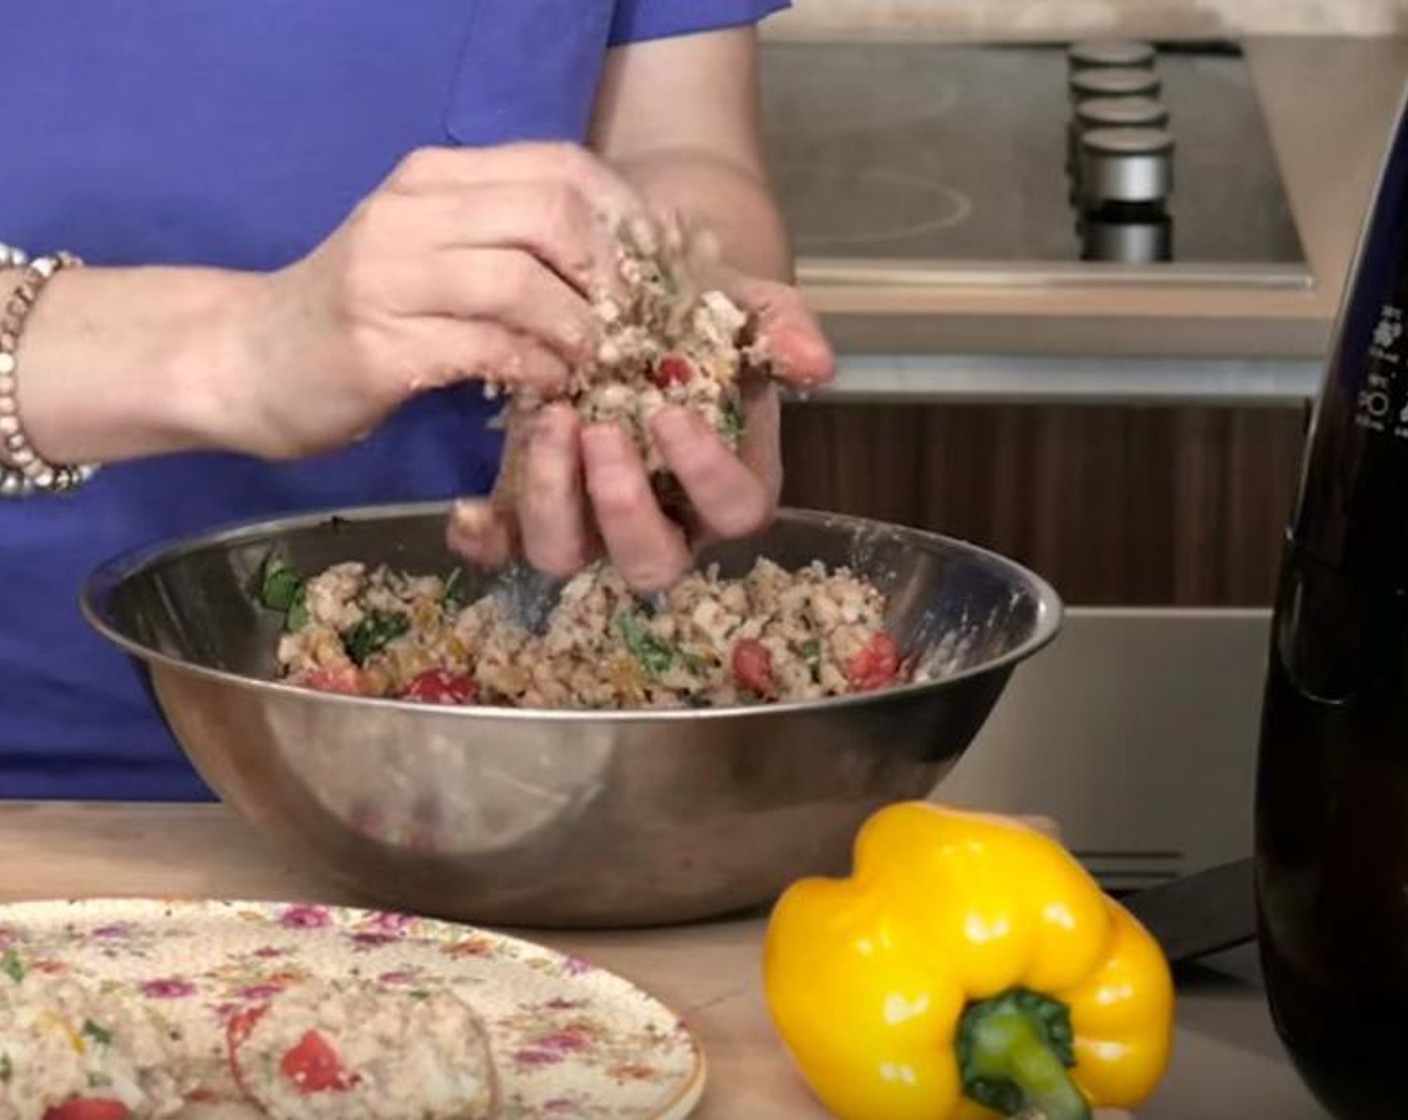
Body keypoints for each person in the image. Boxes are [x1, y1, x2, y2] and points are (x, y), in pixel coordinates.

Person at [0, 3, 835, 803]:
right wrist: (238, 349)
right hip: (37, 795)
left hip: (497, 766)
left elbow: (676, 147)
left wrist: (681, 325)